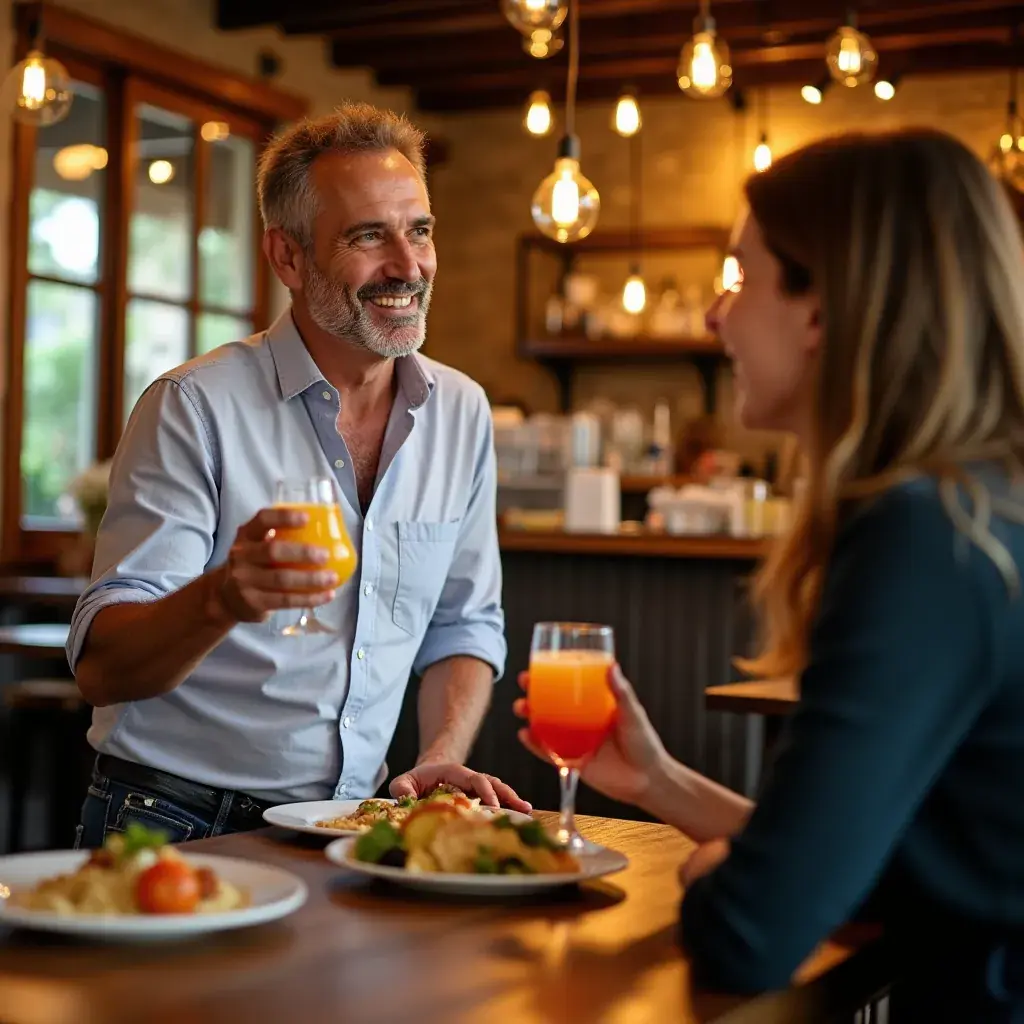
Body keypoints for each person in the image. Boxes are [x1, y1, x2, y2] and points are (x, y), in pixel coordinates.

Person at [517, 129, 1024, 1020]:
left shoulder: (922, 537)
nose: (716, 316)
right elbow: (871, 859)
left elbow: (752, 930)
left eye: (741, 278)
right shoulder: (980, 510)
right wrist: (663, 784)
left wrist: (723, 870)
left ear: (823, 307)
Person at [70, 102, 529, 849]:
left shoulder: (463, 412)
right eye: (367, 236)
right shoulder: (193, 406)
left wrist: (441, 755)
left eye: (419, 230)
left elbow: (462, 625)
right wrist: (224, 596)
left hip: (354, 826)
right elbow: (102, 670)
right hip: (171, 821)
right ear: (288, 257)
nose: (408, 267)